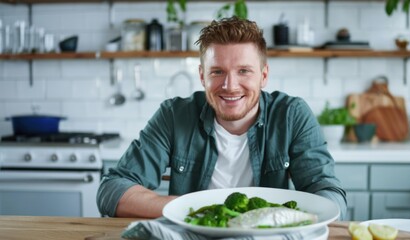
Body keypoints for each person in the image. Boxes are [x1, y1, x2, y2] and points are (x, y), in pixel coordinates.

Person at [97, 16, 347, 220]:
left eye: (244, 71)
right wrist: (187, 209)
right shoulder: (174, 115)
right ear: (202, 76)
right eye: (217, 71)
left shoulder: (291, 115)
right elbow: (111, 190)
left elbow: (329, 193)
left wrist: (280, 219)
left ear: (264, 75)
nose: (230, 85)